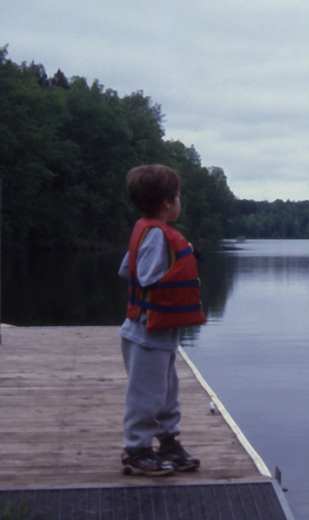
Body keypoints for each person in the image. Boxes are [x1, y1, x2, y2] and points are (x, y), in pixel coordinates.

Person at [118, 164, 207, 476]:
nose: (180, 201)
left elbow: (125, 269)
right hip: (145, 333)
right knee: (146, 395)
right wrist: (172, 279)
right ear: (168, 202)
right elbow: (145, 276)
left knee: (168, 392)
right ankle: (136, 450)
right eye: (178, 195)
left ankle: (168, 442)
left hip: (159, 334)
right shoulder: (156, 235)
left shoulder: (148, 230)